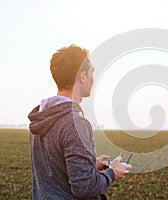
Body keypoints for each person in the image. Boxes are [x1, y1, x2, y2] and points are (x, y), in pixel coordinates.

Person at [28, 44, 132, 199]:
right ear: (83, 76)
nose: (93, 79)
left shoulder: (41, 117)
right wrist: (112, 172)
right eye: (91, 73)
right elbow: (84, 187)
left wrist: (89, 164)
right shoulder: (75, 123)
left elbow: (53, 170)